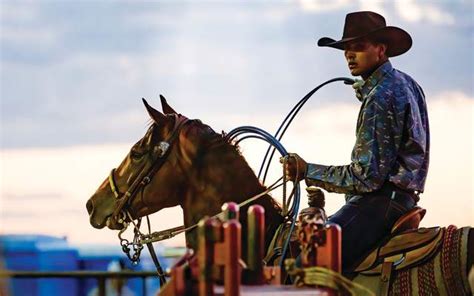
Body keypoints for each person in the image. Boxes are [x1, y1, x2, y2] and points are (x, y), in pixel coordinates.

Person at [283, 11, 430, 272]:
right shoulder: (406, 83)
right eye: (346, 49)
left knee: (304, 266)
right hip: (403, 201)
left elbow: (366, 178)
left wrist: (308, 171)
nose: (349, 55)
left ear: (381, 50)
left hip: (380, 204)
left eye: (358, 47)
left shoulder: (380, 97)